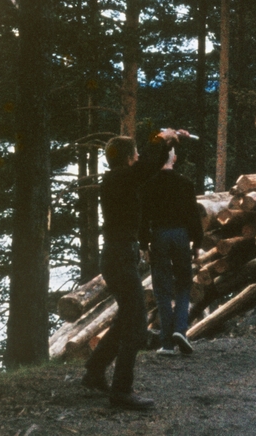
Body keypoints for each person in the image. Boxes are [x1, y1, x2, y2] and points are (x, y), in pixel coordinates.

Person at [81, 130, 181, 410]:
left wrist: (167, 141)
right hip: (119, 258)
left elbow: (148, 166)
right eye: (135, 153)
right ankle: (121, 392)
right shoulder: (120, 178)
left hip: (118, 256)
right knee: (136, 326)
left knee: (126, 318)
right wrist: (165, 138)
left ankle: (94, 371)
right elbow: (150, 165)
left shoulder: (119, 179)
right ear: (127, 159)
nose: (138, 157)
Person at [140, 135, 202, 356]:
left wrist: (143, 244)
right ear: (173, 158)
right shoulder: (185, 184)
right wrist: (197, 244)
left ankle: (166, 343)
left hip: (159, 236)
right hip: (181, 235)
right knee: (184, 283)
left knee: (162, 288)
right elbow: (194, 216)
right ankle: (181, 330)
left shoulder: (149, 185)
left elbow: (142, 217)